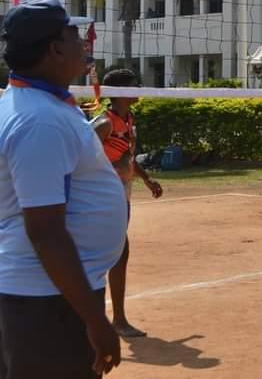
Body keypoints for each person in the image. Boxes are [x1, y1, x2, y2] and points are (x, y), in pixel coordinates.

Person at [0, 0, 126, 376]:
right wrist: (96, 321)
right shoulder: (39, 120)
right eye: (75, 35)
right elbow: (46, 232)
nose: (85, 43)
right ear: (55, 48)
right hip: (46, 302)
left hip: (49, 295)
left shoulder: (40, 105)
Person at [90, 68, 163, 339]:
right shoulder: (103, 123)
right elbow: (81, 159)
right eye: (134, 85)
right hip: (103, 197)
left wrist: (145, 178)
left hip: (122, 194)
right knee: (116, 254)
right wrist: (113, 167)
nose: (139, 89)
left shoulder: (129, 119)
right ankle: (113, 320)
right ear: (119, 91)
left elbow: (128, 158)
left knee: (117, 254)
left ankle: (111, 319)